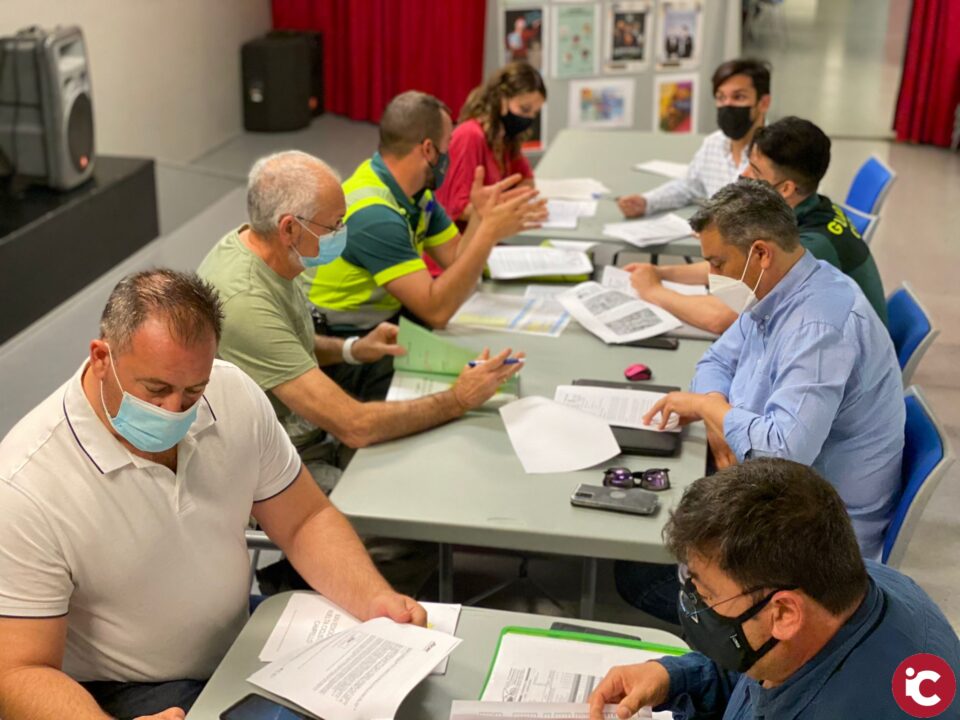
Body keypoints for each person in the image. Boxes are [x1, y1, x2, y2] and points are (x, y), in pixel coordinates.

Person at [0, 270, 427, 720]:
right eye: (156, 390)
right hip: (131, 686)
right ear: (102, 357)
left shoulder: (231, 392)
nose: (173, 412)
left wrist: (374, 599)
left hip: (236, 633)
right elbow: (17, 670)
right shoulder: (26, 486)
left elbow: (303, 520)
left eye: (193, 392)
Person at [615, 180, 904, 622]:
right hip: (774, 489)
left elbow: (784, 450)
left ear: (761, 253)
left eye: (717, 262)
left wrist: (711, 410)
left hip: (813, 534)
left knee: (636, 574)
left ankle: (730, 663)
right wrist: (715, 411)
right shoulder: (780, 288)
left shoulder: (817, 326)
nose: (711, 277)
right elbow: (716, 360)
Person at [198, 151, 523, 491]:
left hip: (306, 435)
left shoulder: (266, 251)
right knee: (405, 506)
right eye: (334, 224)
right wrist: (459, 399)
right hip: (278, 464)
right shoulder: (246, 301)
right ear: (290, 228)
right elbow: (355, 425)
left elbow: (287, 348)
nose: (342, 232)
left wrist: (353, 349)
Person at [591, 459, 960, 720]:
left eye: (709, 596)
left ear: (783, 612)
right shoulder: (843, 582)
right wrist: (674, 678)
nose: (696, 603)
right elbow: (763, 667)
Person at [303, 90, 545, 332]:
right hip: (340, 338)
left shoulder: (416, 194)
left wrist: (481, 217)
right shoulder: (375, 216)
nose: (450, 154)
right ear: (428, 149)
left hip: (380, 321)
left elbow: (455, 258)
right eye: (448, 144)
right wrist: (488, 233)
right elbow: (436, 312)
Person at [626, 116, 888, 333]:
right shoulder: (811, 207)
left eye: (754, 170)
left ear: (786, 188)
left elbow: (722, 317)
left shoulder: (807, 249)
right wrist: (662, 273)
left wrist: (654, 291)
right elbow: (729, 268)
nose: (744, 175)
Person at [618, 58, 771, 218]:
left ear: (764, 103)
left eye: (739, 97)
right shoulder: (713, 144)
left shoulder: (778, 154)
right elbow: (688, 186)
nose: (728, 104)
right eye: (721, 98)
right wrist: (647, 202)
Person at [436, 61, 546, 227]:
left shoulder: (505, 137)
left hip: (487, 236)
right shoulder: (470, 135)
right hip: (459, 245)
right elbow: (459, 209)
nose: (529, 118)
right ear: (501, 100)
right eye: (524, 109)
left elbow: (527, 181)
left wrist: (503, 203)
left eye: (534, 113)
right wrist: (506, 206)